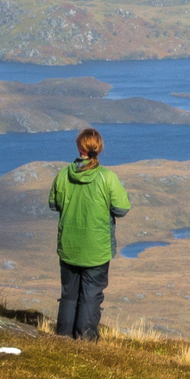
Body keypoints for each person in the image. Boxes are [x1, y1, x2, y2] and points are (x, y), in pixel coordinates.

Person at [48, 127, 131, 340]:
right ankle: (85, 341)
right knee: (91, 296)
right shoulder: (107, 178)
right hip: (97, 249)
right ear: (99, 149)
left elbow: (53, 204)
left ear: (79, 147)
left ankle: (63, 339)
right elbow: (121, 208)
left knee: (69, 296)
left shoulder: (63, 175)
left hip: (69, 247)